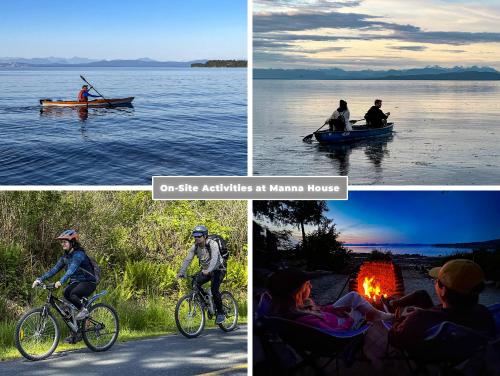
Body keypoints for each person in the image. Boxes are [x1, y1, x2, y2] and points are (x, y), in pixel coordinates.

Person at [387, 259, 495, 349]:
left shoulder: (419, 318)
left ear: (443, 290)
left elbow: (393, 338)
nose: (435, 282)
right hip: (451, 337)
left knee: (405, 310)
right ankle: (392, 303)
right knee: (421, 294)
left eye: (437, 281)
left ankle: (391, 305)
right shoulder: (484, 313)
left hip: (428, 349)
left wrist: (402, 318)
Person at [267, 268, 394, 331]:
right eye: (307, 284)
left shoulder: (297, 307)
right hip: (344, 330)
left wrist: (332, 309)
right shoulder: (307, 320)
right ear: (297, 292)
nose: (311, 286)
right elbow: (336, 331)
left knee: (353, 296)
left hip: (332, 316)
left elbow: (321, 310)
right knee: (362, 310)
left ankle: (384, 315)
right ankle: (387, 317)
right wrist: (349, 318)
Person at [32, 229, 97, 343]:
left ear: (73, 242)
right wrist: (40, 279)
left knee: (72, 294)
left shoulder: (79, 255)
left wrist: (61, 281)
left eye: (65, 241)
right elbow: (54, 270)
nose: (62, 244)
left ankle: (83, 310)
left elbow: (71, 271)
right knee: (64, 305)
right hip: (76, 283)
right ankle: (76, 333)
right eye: (61, 242)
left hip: (88, 282)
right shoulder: (65, 257)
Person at [177, 225, 226, 324]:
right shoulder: (194, 247)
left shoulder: (213, 244)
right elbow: (187, 259)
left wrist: (209, 270)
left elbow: (215, 259)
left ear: (205, 236)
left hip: (218, 269)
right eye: (194, 236)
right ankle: (206, 302)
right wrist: (181, 272)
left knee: (214, 289)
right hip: (205, 270)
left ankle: (221, 313)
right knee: (195, 283)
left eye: (199, 236)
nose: (196, 238)